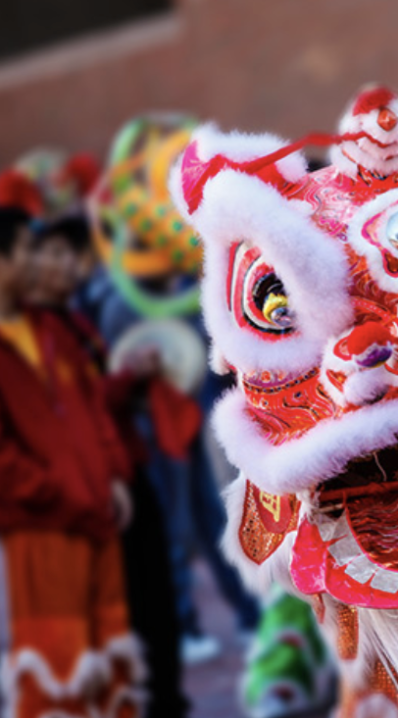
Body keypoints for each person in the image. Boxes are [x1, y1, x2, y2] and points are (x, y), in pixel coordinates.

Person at [28, 215, 190, 716]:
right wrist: (125, 378)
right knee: (133, 603)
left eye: (69, 255)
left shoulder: (72, 320)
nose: (64, 266)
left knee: (152, 598)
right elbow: (71, 407)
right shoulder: (37, 331)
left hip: (124, 469)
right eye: (50, 255)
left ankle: (165, 696)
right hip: (94, 484)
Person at [0, 207, 144, 718]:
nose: (38, 265)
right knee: (55, 667)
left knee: (109, 654)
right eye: (29, 253)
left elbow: (93, 408)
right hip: (41, 527)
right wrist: (60, 492)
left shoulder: (51, 328)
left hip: (96, 514)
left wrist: (113, 476)